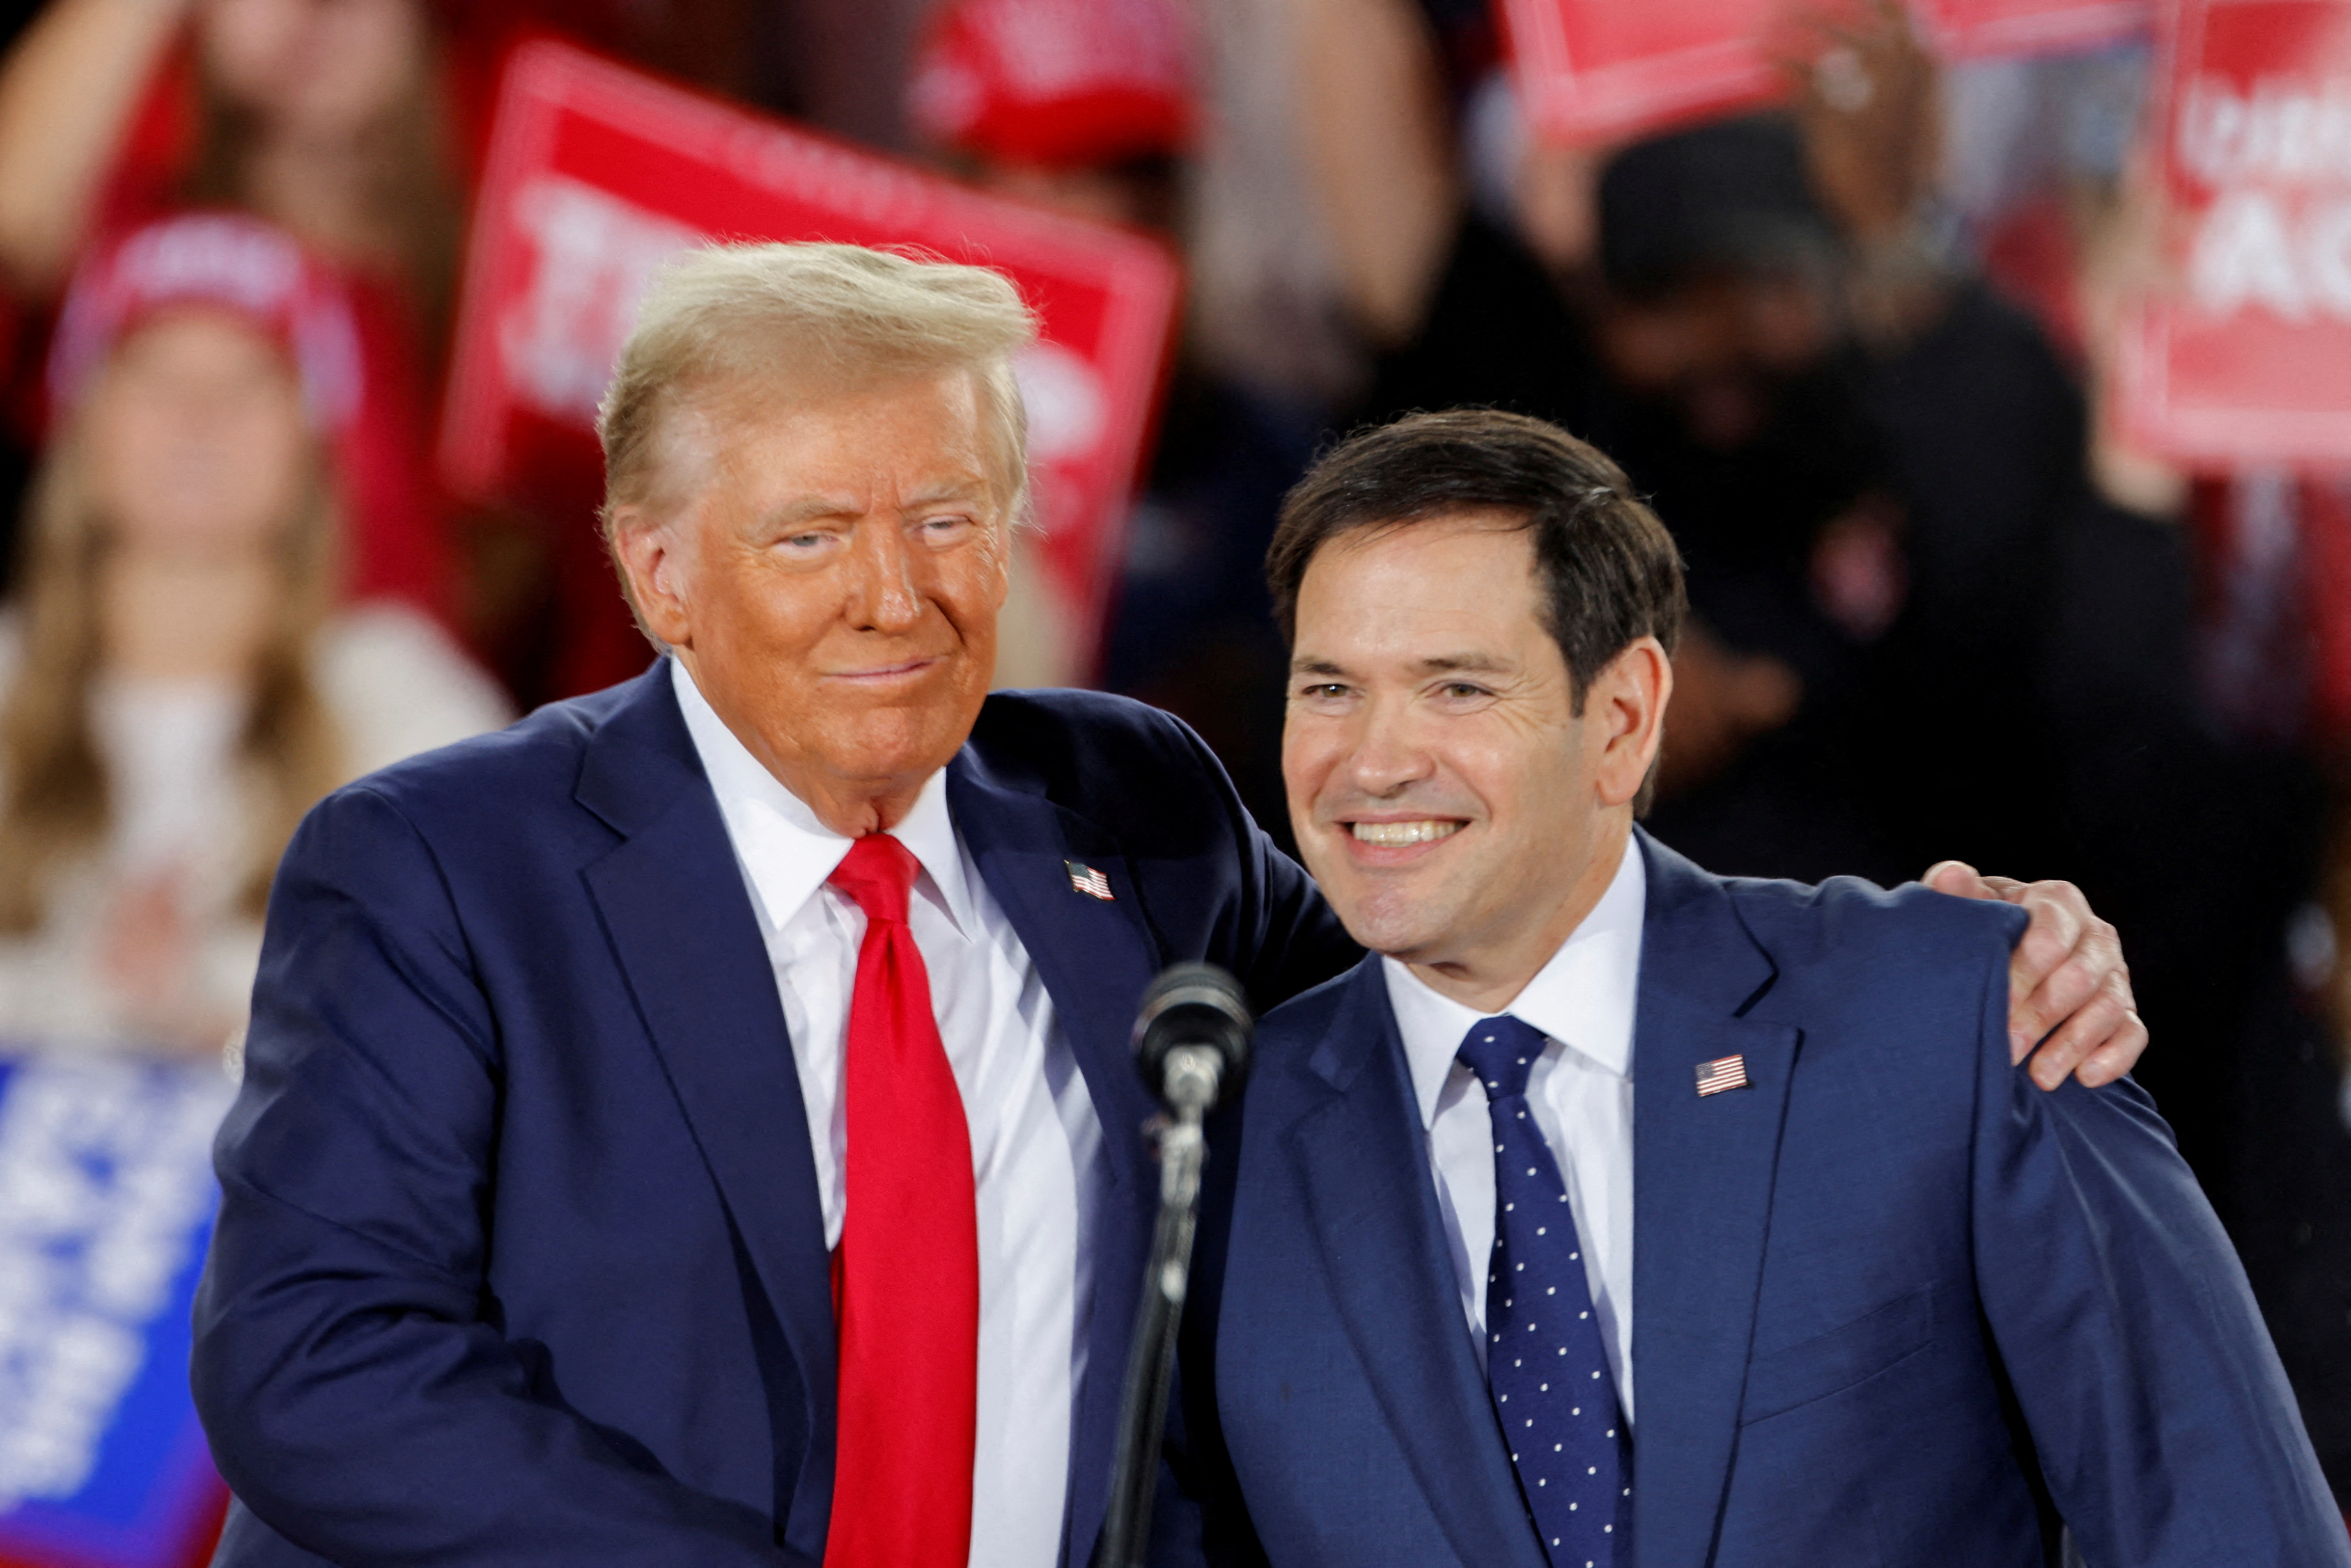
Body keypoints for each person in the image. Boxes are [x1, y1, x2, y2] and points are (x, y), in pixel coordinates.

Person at [191, 243, 2140, 1568]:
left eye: (948, 517)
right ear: (656, 571)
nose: (895, 593)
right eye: (810, 534)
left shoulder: (1127, 807)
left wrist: (1893, 958)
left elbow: (1483, 952)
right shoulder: (442, 869)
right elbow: (317, 1365)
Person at [1175, 409, 2343, 1566]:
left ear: (1624, 718)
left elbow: (2231, 1528)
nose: (1374, 763)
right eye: (1330, 689)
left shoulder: (1963, 1015)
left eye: (1457, 688)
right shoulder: (1212, 1148)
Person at [0, 211, 505, 1059]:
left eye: (250, 381)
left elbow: (486, 1021)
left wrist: (217, 1031)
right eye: (153, 374)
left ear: (314, 438)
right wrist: (93, 1002)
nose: (199, 417)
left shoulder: (409, 705)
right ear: (82, 423)